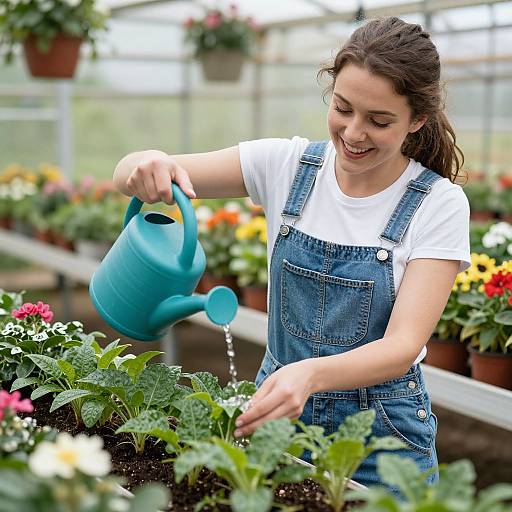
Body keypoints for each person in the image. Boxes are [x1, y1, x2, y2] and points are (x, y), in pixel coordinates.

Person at [113, 16, 470, 487]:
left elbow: (402, 347)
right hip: (275, 418)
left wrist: (309, 376)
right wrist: (146, 164)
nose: (354, 132)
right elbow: (130, 174)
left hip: (382, 438)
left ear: (417, 120)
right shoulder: (284, 165)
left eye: (379, 120)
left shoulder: (437, 203)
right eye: (343, 108)